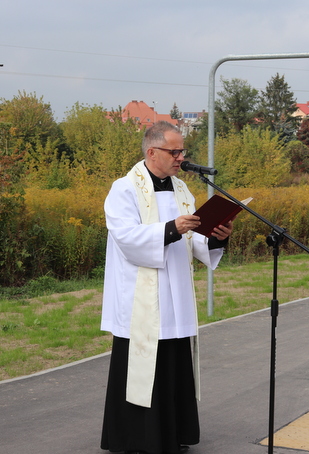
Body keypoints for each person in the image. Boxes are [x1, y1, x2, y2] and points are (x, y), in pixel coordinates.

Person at [100, 121, 233, 454]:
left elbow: (195, 241)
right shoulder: (125, 189)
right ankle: (136, 438)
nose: (180, 157)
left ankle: (172, 434)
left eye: (182, 151)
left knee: (173, 364)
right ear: (152, 152)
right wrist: (171, 228)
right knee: (144, 365)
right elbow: (126, 237)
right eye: (174, 151)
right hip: (140, 297)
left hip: (175, 293)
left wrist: (216, 238)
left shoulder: (182, 190)